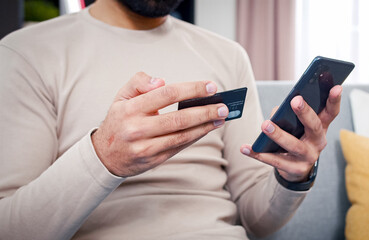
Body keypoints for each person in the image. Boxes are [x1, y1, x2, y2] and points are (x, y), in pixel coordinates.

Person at [0, 0, 342, 239]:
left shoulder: (228, 54)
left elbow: (258, 220)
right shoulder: (27, 54)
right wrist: (103, 158)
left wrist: (292, 177)